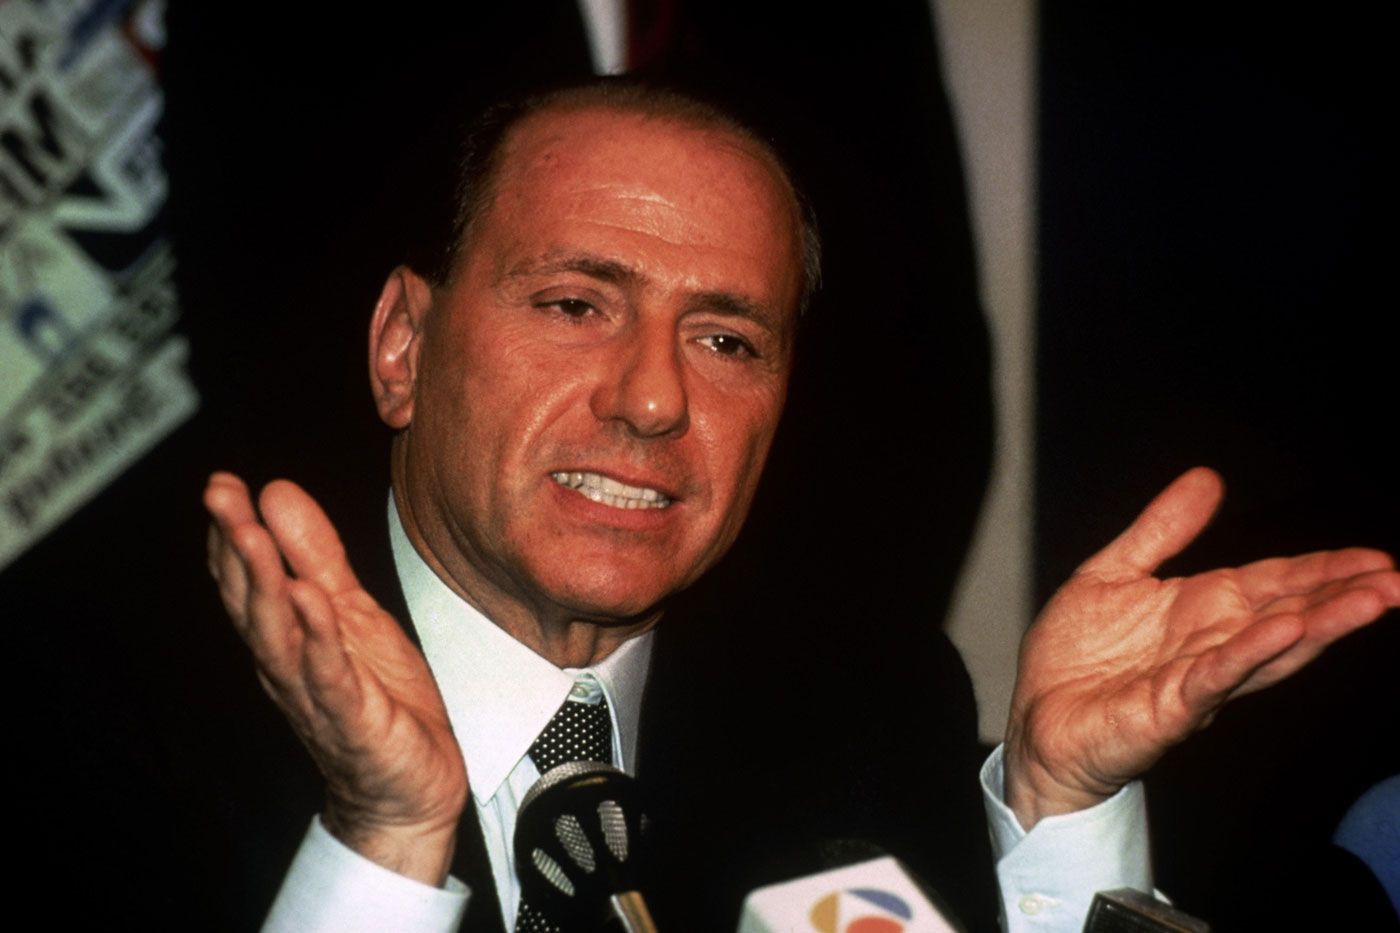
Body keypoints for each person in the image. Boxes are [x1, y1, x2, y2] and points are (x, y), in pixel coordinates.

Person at [203, 79, 1400, 932]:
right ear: (403, 346)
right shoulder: (136, 725)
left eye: (725, 340)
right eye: (575, 306)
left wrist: (1058, 811)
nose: (652, 400)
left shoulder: (863, 711)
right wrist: (383, 847)